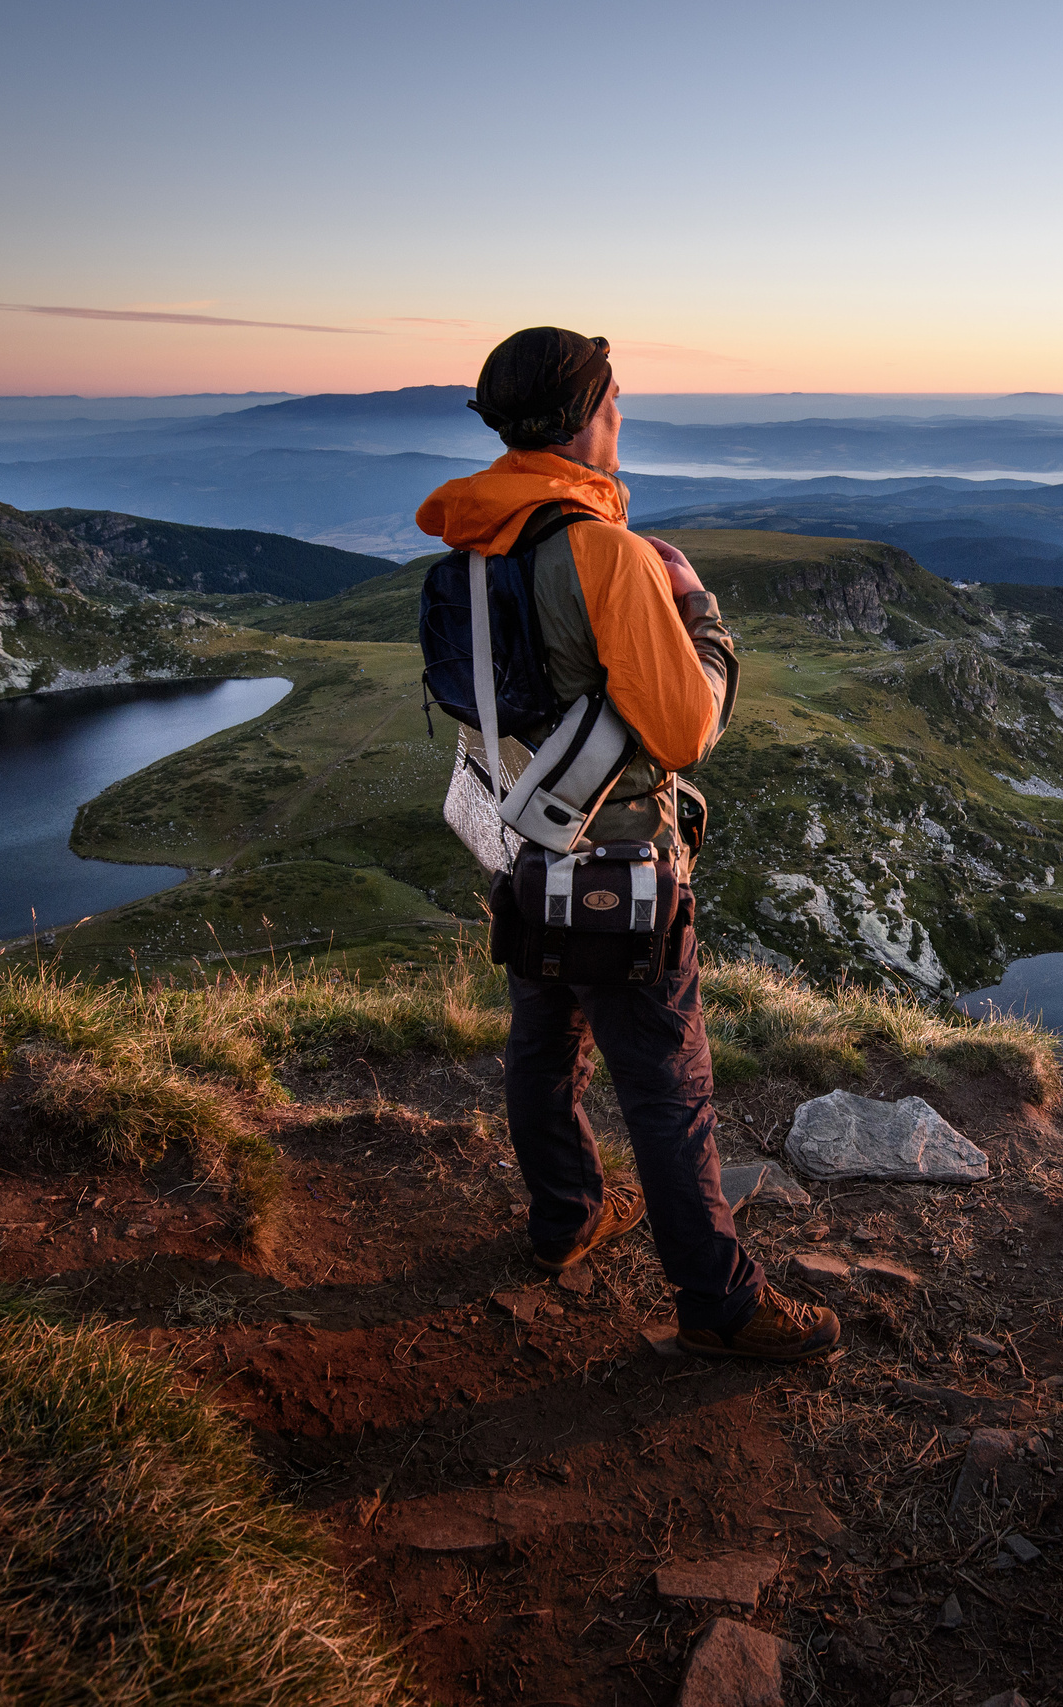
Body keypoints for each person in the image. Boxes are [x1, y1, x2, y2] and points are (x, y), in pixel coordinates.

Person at [415, 327, 840, 1362]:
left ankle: (565, 1218)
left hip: (519, 846)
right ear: (583, 417)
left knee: (543, 1040)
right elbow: (688, 728)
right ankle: (721, 1304)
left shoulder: (471, 543)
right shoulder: (602, 552)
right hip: (614, 862)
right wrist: (698, 610)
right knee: (667, 1087)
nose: (622, 417)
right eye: (614, 400)